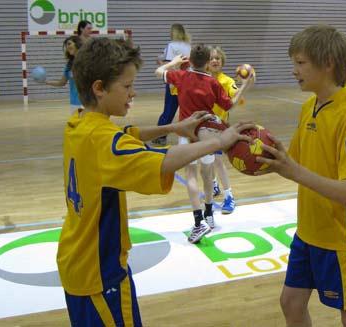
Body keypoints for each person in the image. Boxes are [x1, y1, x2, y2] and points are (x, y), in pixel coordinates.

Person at [56, 37, 253, 326]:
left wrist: (173, 126)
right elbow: (165, 160)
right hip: (99, 271)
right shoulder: (104, 142)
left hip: (76, 259)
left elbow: (127, 134)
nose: (132, 93)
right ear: (99, 88)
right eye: (126, 86)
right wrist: (218, 142)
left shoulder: (79, 123)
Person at [257, 25, 346, 327]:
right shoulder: (310, 106)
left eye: (300, 63)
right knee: (291, 302)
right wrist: (253, 154)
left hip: (343, 237)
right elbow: (294, 164)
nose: (294, 70)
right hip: (308, 230)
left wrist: (294, 170)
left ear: (327, 64)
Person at [155, 43, 253, 243]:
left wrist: (173, 62)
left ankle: (198, 222)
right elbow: (230, 105)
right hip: (207, 133)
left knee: (190, 175)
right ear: (208, 63)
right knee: (207, 175)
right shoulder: (214, 83)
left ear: (190, 60)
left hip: (186, 132)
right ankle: (209, 213)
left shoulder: (181, 76)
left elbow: (159, 71)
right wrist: (244, 86)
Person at [208, 46, 240, 214]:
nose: (214, 60)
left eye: (218, 58)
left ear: (222, 62)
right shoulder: (202, 79)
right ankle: (214, 185)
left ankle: (229, 196)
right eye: (211, 58)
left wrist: (247, 84)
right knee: (206, 161)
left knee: (218, 161)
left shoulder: (227, 81)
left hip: (220, 127)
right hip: (202, 127)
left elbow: (236, 99)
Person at [151, 23, 191, 146]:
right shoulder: (188, 46)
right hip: (187, 80)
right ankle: (191, 134)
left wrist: (160, 62)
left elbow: (170, 63)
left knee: (169, 110)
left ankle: (160, 136)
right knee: (187, 110)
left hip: (174, 82)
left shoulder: (172, 45)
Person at [42, 36, 83, 114]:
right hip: (74, 103)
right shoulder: (69, 65)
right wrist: (46, 82)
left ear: (77, 44)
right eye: (66, 45)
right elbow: (62, 82)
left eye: (69, 44)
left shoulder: (87, 61)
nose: (67, 47)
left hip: (87, 103)